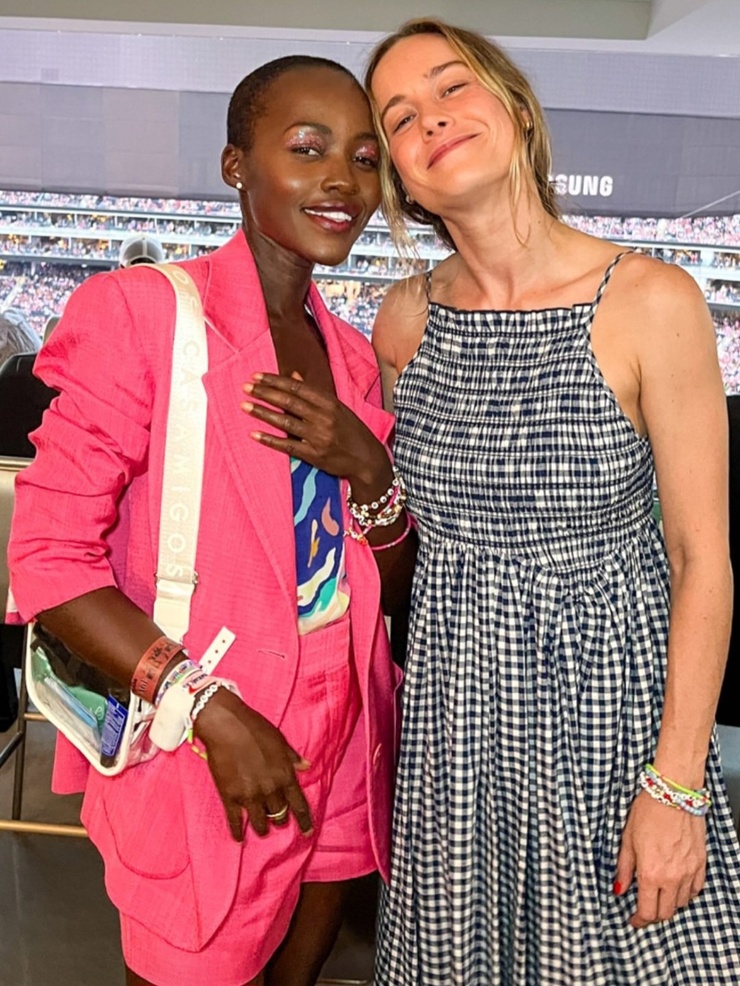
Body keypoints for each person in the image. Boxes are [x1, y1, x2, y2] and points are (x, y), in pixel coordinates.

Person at [8, 55, 412, 986]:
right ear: (237, 166)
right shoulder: (143, 314)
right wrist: (205, 708)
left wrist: (371, 472)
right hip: (206, 727)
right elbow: (49, 560)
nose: (342, 181)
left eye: (363, 158)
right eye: (307, 149)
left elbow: (381, 586)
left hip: (345, 732)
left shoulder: (351, 359)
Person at [364, 18, 740, 985]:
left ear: (518, 111)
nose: (431, 118)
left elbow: (701, 560)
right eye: (399, 116)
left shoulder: (651, 300)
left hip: (610, 714)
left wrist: (677, 785)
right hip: (454, 729)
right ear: (403, 179)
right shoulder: (402, 321)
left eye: (452, 86)